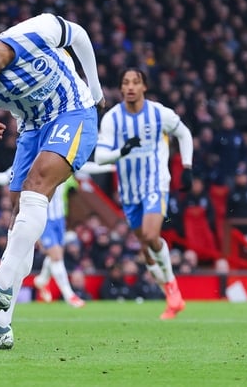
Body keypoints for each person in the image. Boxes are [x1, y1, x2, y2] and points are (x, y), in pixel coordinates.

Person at [0, 14, 104, 351]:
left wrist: (95, 88)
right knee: (19, 220)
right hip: (31, 129)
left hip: (73, 112)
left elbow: (79, 35)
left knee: (37, 185)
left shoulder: (36, 31)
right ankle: (1, 328)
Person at [94, 67, 193, 320]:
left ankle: (172, 288)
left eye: (135, 82)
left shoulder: (159, 113)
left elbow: (183, 133)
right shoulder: (112, 118)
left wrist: (187, 166)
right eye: (125, 82)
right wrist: (122, 151)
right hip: (129, 191)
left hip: (155, 182)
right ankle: (172, 298)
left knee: (150, 235)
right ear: (120, 88)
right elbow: (101, 156)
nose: (130, 87)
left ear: (143, 87)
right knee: (147, 249)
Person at [0, 167, 85, 308]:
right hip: (42, 215)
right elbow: (8, 175)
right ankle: (69, 295)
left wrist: (110, 165)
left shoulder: (61, 158)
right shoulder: (33, 159)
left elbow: (84, 167)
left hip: (59, 218)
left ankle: (42, 279)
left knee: (56, 256)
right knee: (56, 257)